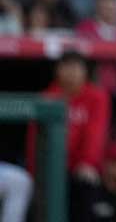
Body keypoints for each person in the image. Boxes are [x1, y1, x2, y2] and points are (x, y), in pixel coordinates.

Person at [27, 51, 110, 222]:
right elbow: (34, 143)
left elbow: (95, 134)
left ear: (85, 71)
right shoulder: (47, 97)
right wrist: (35, 172)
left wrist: (88, 162)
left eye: (77, 67)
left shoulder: (96, 96)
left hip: (80, 168)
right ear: (58, 70)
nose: (72, 72)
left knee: (86, 184)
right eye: (67, 66)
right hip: (51, 169)